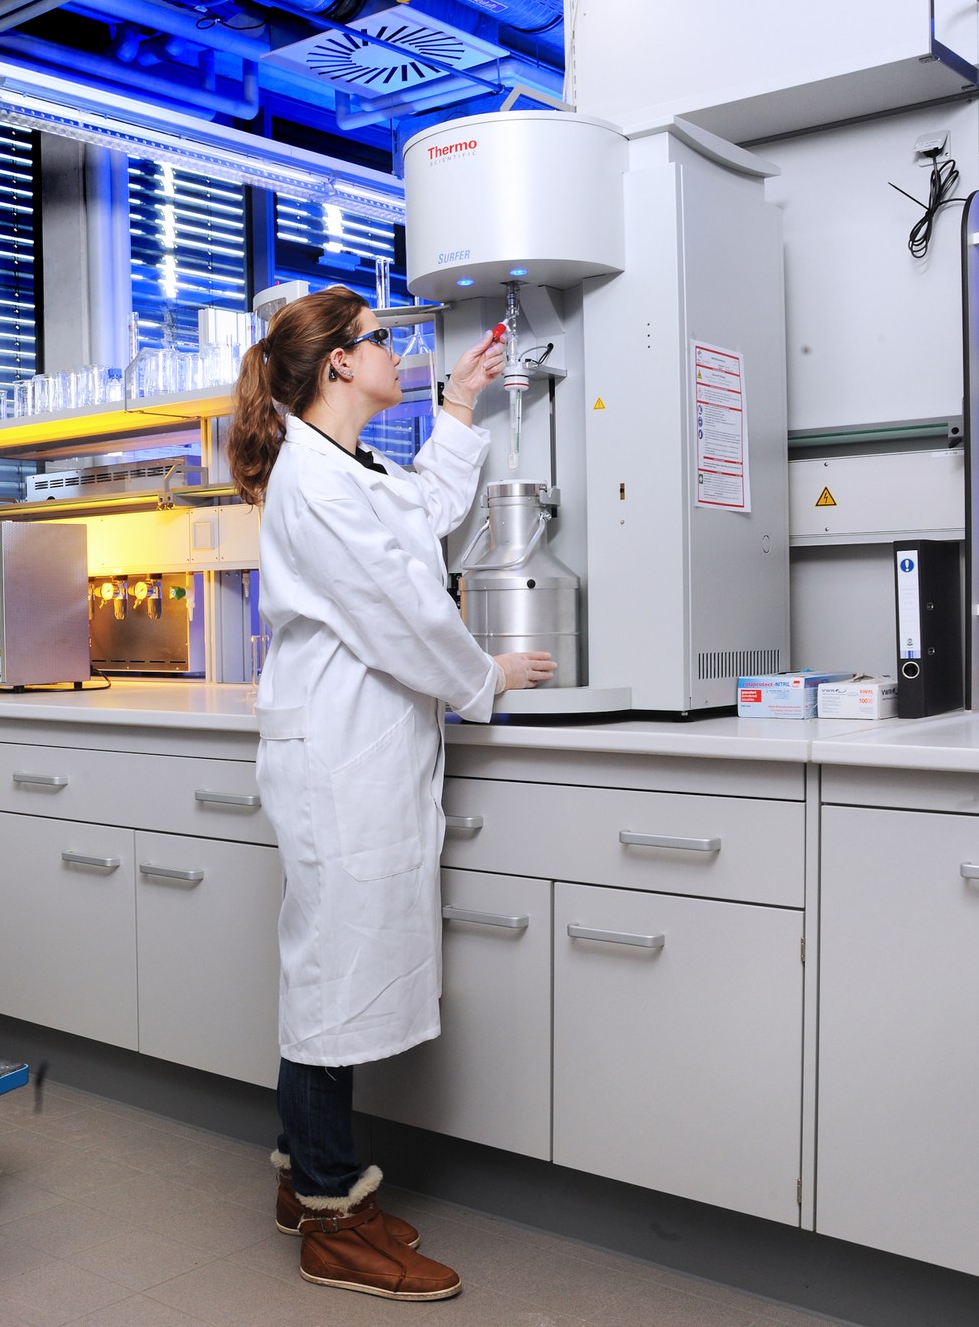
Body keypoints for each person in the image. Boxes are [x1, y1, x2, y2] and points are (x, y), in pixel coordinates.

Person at [229, 285, 557, 1301]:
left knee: (331, 967)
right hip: (341, 760)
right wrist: (486, 675)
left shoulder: (345, 467)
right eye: (379, 341)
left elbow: (418, 515)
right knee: (336, 981)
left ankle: (302, 1175)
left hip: (356, 750)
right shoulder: (315, 485)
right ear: (336, 363)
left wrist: (460, 406)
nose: (393, 353)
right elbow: (405, 610)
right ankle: (330, 1216)